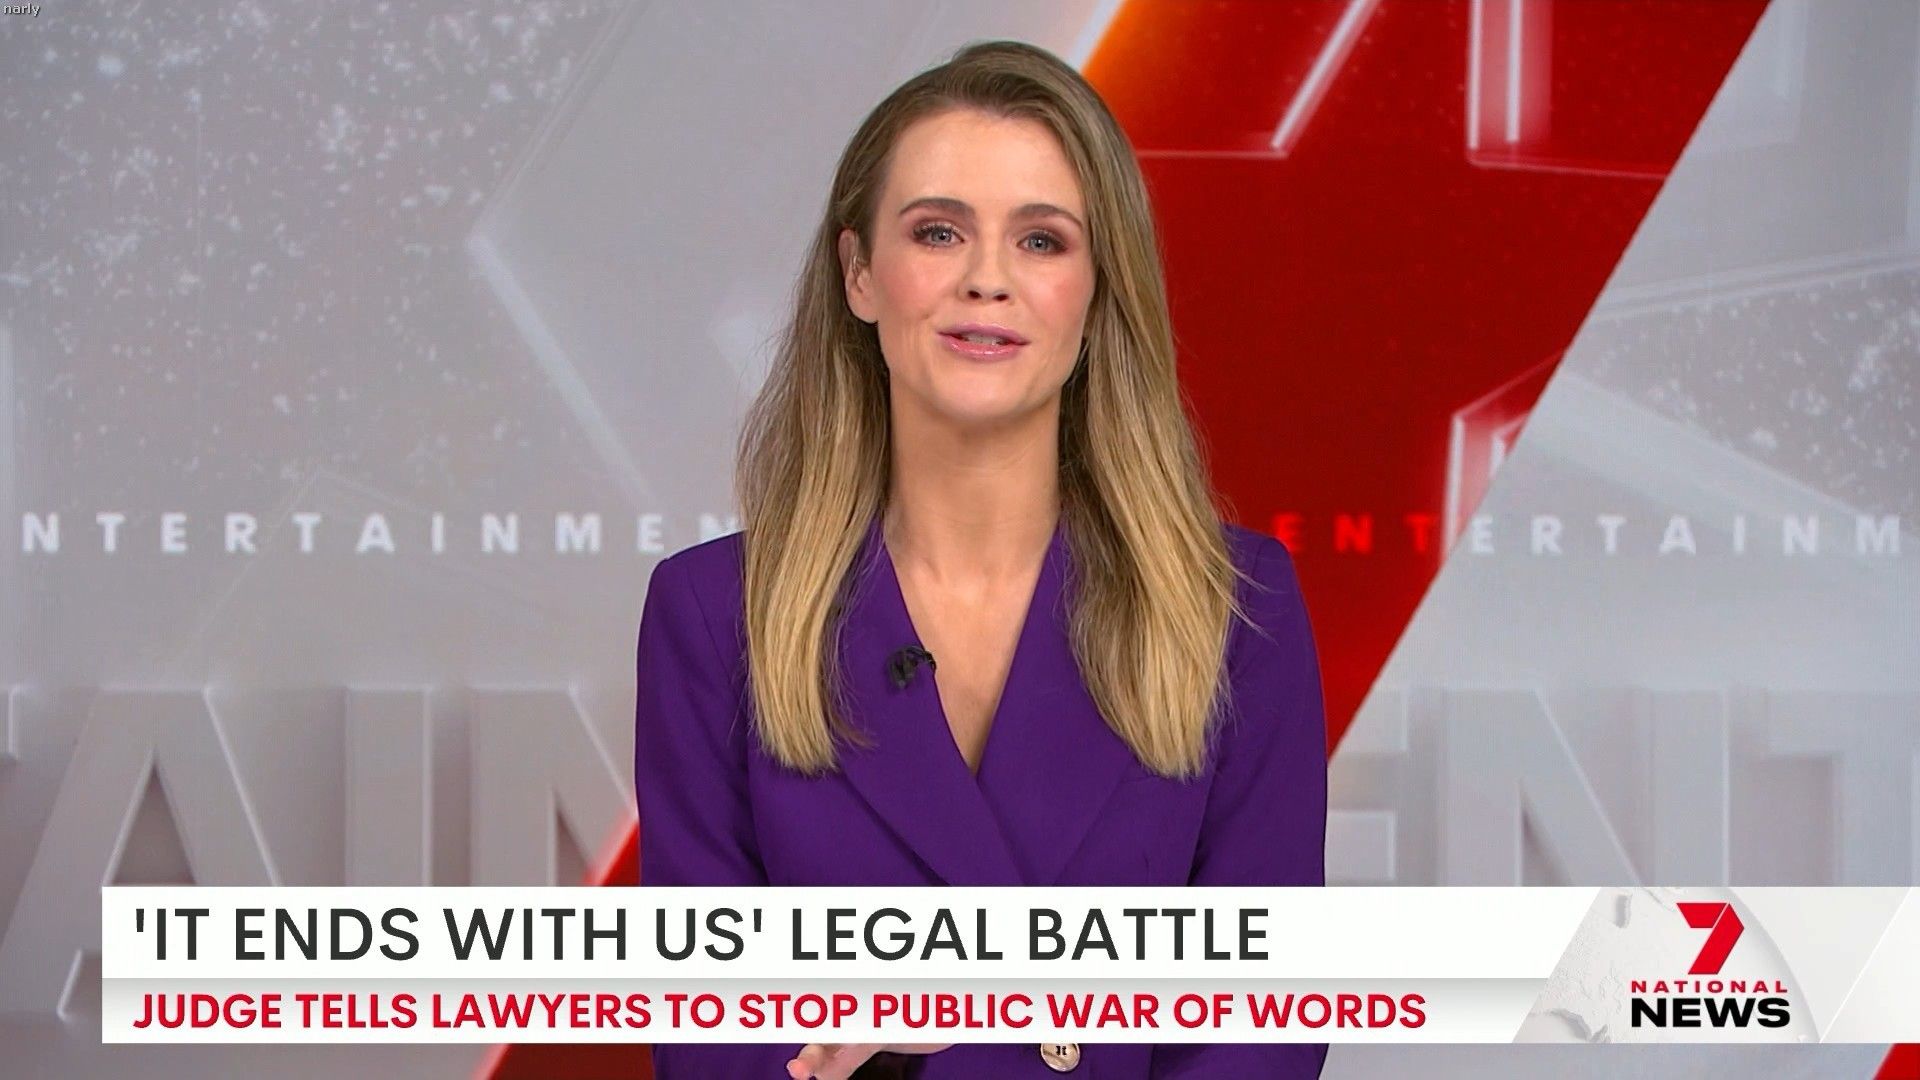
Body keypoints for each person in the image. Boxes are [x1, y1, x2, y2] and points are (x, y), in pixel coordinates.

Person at [634, 39, 1328, 1079]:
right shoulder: (712, 613)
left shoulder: (1238, 608)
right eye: (938, 232)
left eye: (1042, 241)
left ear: (1098, 291)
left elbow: (1260, 1029)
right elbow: (710, 1044)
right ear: (859, 274)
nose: (987, 280)